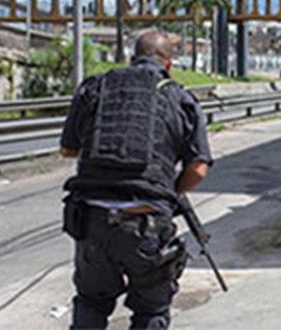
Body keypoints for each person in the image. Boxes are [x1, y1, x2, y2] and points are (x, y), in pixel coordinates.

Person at [59, 30, 213, 329]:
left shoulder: (95, 88)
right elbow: (197, 169)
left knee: (91, 303)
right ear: (169, 64)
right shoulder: (180, 98)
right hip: (147, 223)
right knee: (150, 312)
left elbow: (68, 149)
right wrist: (169, 193)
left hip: (91, 220)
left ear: (131, 59)